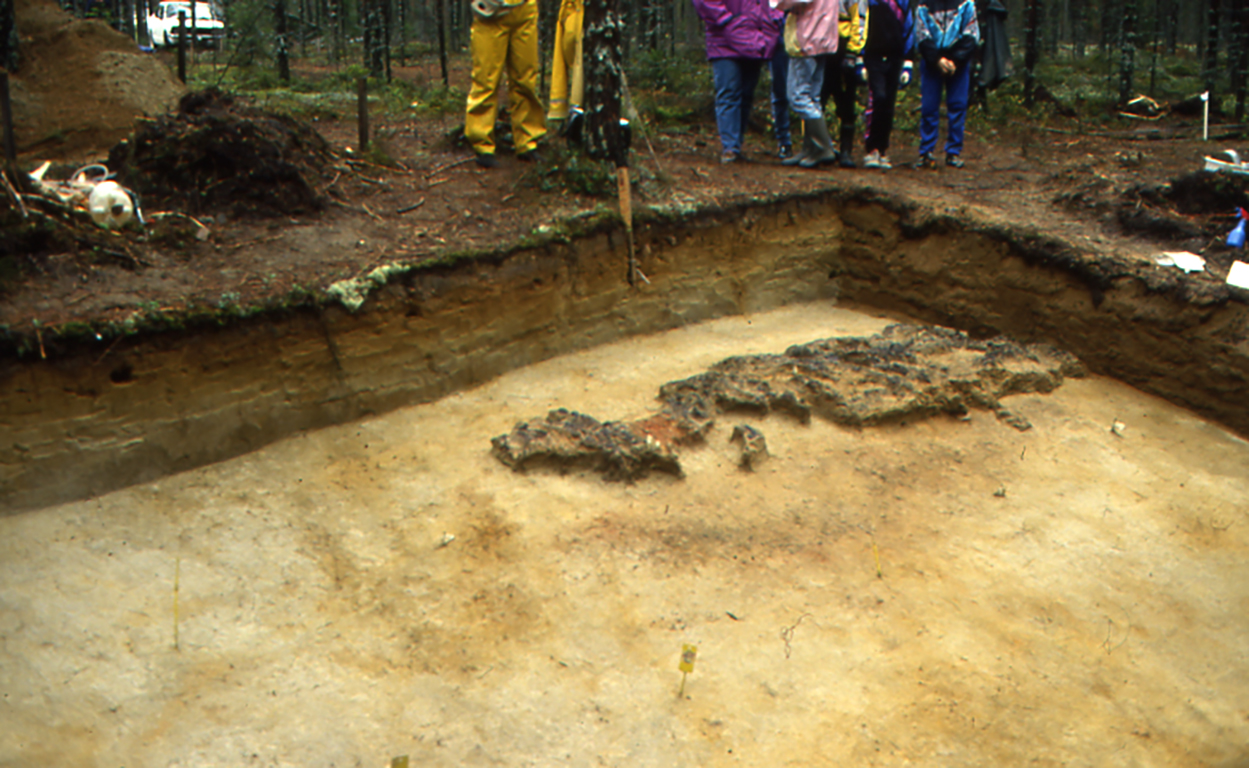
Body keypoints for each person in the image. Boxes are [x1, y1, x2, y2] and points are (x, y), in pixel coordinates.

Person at [691, 0, 783, 164]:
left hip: (757, 38)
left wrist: (774, 18)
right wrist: (726, 19)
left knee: (746, 94)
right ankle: (730, 147)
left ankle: (736, 145)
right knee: (729, 91)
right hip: (724, 40)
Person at [464, 0, 547, 168]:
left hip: (524, 10)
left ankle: (527, 142)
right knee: (485, 81)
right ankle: (482, 144)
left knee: (525, 80)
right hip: (490, 12)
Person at [771, 0, 842, 169]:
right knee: (812, 97)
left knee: (798, 96)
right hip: (823, 37)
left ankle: (824, 147)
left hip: (808, 36)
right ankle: (810, 148)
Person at [913, 0, 979, 169]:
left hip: (958, 63)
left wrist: (956, 59)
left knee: (957, 106)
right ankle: (926, 151)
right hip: (931, 62)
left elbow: (972, 34)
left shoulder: (966, 4)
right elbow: (921, 34)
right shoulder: (924, 4)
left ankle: (953, 152)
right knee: (929, 107)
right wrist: (936, 59)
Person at [861, 0, 914, 170]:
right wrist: (859, 58)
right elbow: (861, 23)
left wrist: (908, 62)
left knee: (889, 104)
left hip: (894, 57)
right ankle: (872, 148)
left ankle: (882, 149)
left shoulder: (903, 2)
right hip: (873, 55)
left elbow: (909, 28)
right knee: (878, 97)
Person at [819, 0, 867, 167]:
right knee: (818, 100)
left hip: (844, 45)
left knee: (846, 101)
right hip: (821, 45)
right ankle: (819, 147)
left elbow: (859, 20)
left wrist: (853, 51)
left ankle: (846, 151)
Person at [548, 0, 586, 141]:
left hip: (574, 14)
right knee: (577, 65)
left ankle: (575, 114)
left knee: (579, 66)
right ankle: (574, 115)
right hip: (572, 14)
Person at [769, 29, 794, 159]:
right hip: (774, 39)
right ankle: (784, 141)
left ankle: (814, 142)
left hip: (796, 39)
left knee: (807, 94)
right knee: (780, 93)